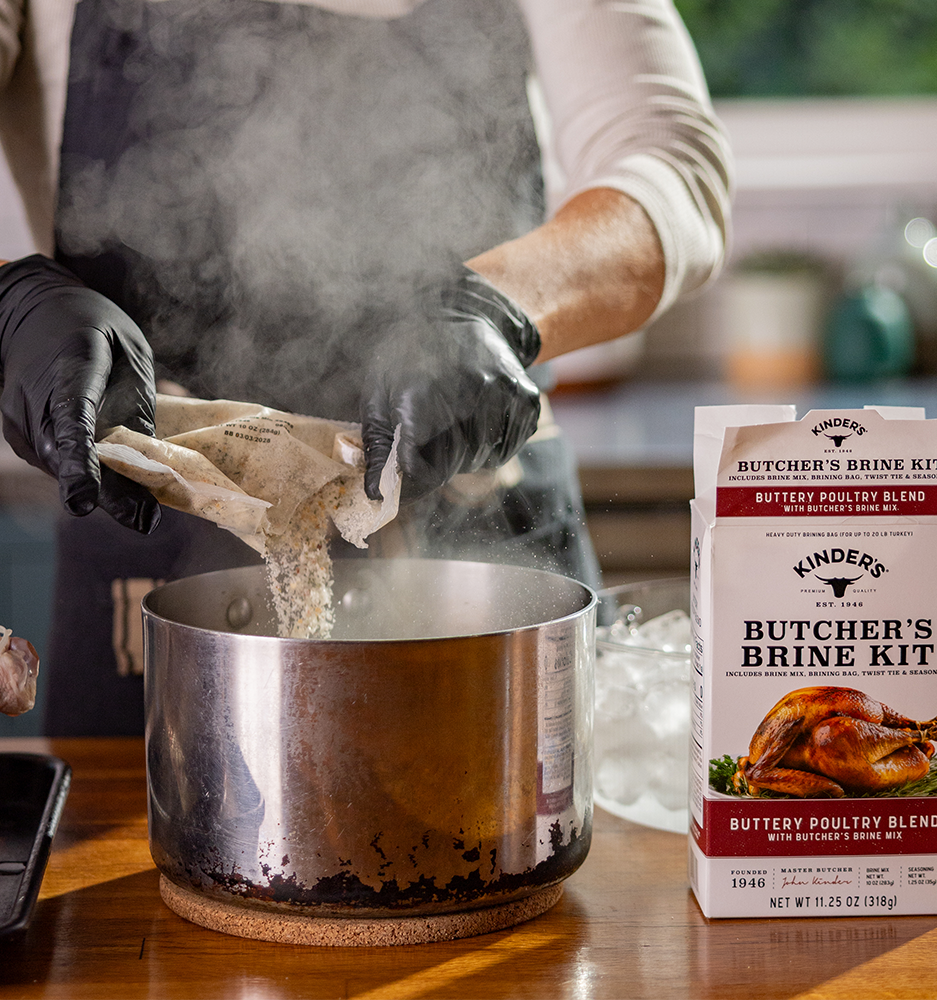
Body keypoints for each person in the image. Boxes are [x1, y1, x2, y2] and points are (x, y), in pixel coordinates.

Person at [0, 0, 731, 735]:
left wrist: (494, 306)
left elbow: (672, 164)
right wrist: (11, 303)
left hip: (484, 547)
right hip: (156, 577)